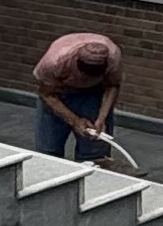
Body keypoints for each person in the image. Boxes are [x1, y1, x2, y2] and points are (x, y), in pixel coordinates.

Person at [32, 30, 124, 163]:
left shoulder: (113, 57)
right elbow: (46, 93)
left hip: (93, 95)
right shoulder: (55, 62)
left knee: (95, 152)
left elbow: (112, 86)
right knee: (48, 152)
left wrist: (101, 118)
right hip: (58, 94)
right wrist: (74, 120)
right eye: (84, 76)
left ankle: (92, 167)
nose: (85, 80)